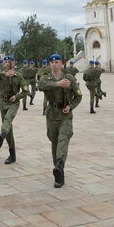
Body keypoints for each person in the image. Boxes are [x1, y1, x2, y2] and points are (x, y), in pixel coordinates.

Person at [38, 54, 82, 188]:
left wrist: (71, 106)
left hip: (65, 115)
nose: (54, 64)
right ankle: (59, 171)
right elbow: (41, 86)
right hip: (51, 114)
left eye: (57, 62)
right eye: (52, 62)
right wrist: (58, 84)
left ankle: (59, 167)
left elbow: (78, 96)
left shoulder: (69, 78)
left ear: (61, 64)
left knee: (63, 139)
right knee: (55, 142)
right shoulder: (46, 77)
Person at [0, 55, 29, 163]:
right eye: (6, 62)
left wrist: (16, 96)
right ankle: (12, 154)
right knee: (9, 130)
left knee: (7, 119)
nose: (7, 64)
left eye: (10, 62)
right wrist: (4, 74)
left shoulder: (18, 76)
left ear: (14, 63)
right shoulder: (0, 75)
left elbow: (26, 91)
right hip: (3, 103)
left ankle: (2, 135)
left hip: (13, 103)